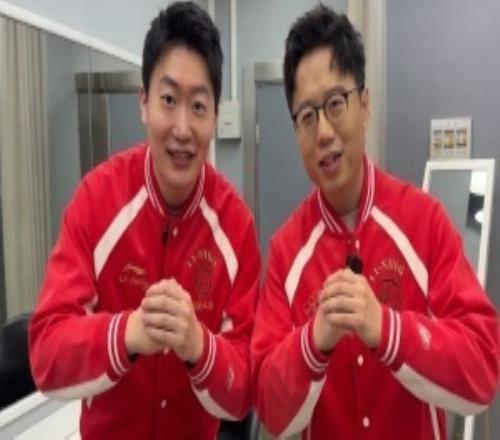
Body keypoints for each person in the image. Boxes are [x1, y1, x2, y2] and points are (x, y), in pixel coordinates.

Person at [251, 5, 498, 439]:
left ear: (364, 106)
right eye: (307, 117)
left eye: (335, 104)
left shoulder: (424, 221)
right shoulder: (287, 251)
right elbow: (270, 410)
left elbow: (483, 372)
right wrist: (313, 342)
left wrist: (387, 329)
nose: (323, 132)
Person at [29, 2, 260, 438]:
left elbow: (244, 387)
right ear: (143, 103)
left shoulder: (236, 226)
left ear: (215, 116)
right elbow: (46, 356)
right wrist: (127, 333)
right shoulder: (97, 200)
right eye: (168, 100)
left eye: (198, 106)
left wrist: (198, 345)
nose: (182, 128)